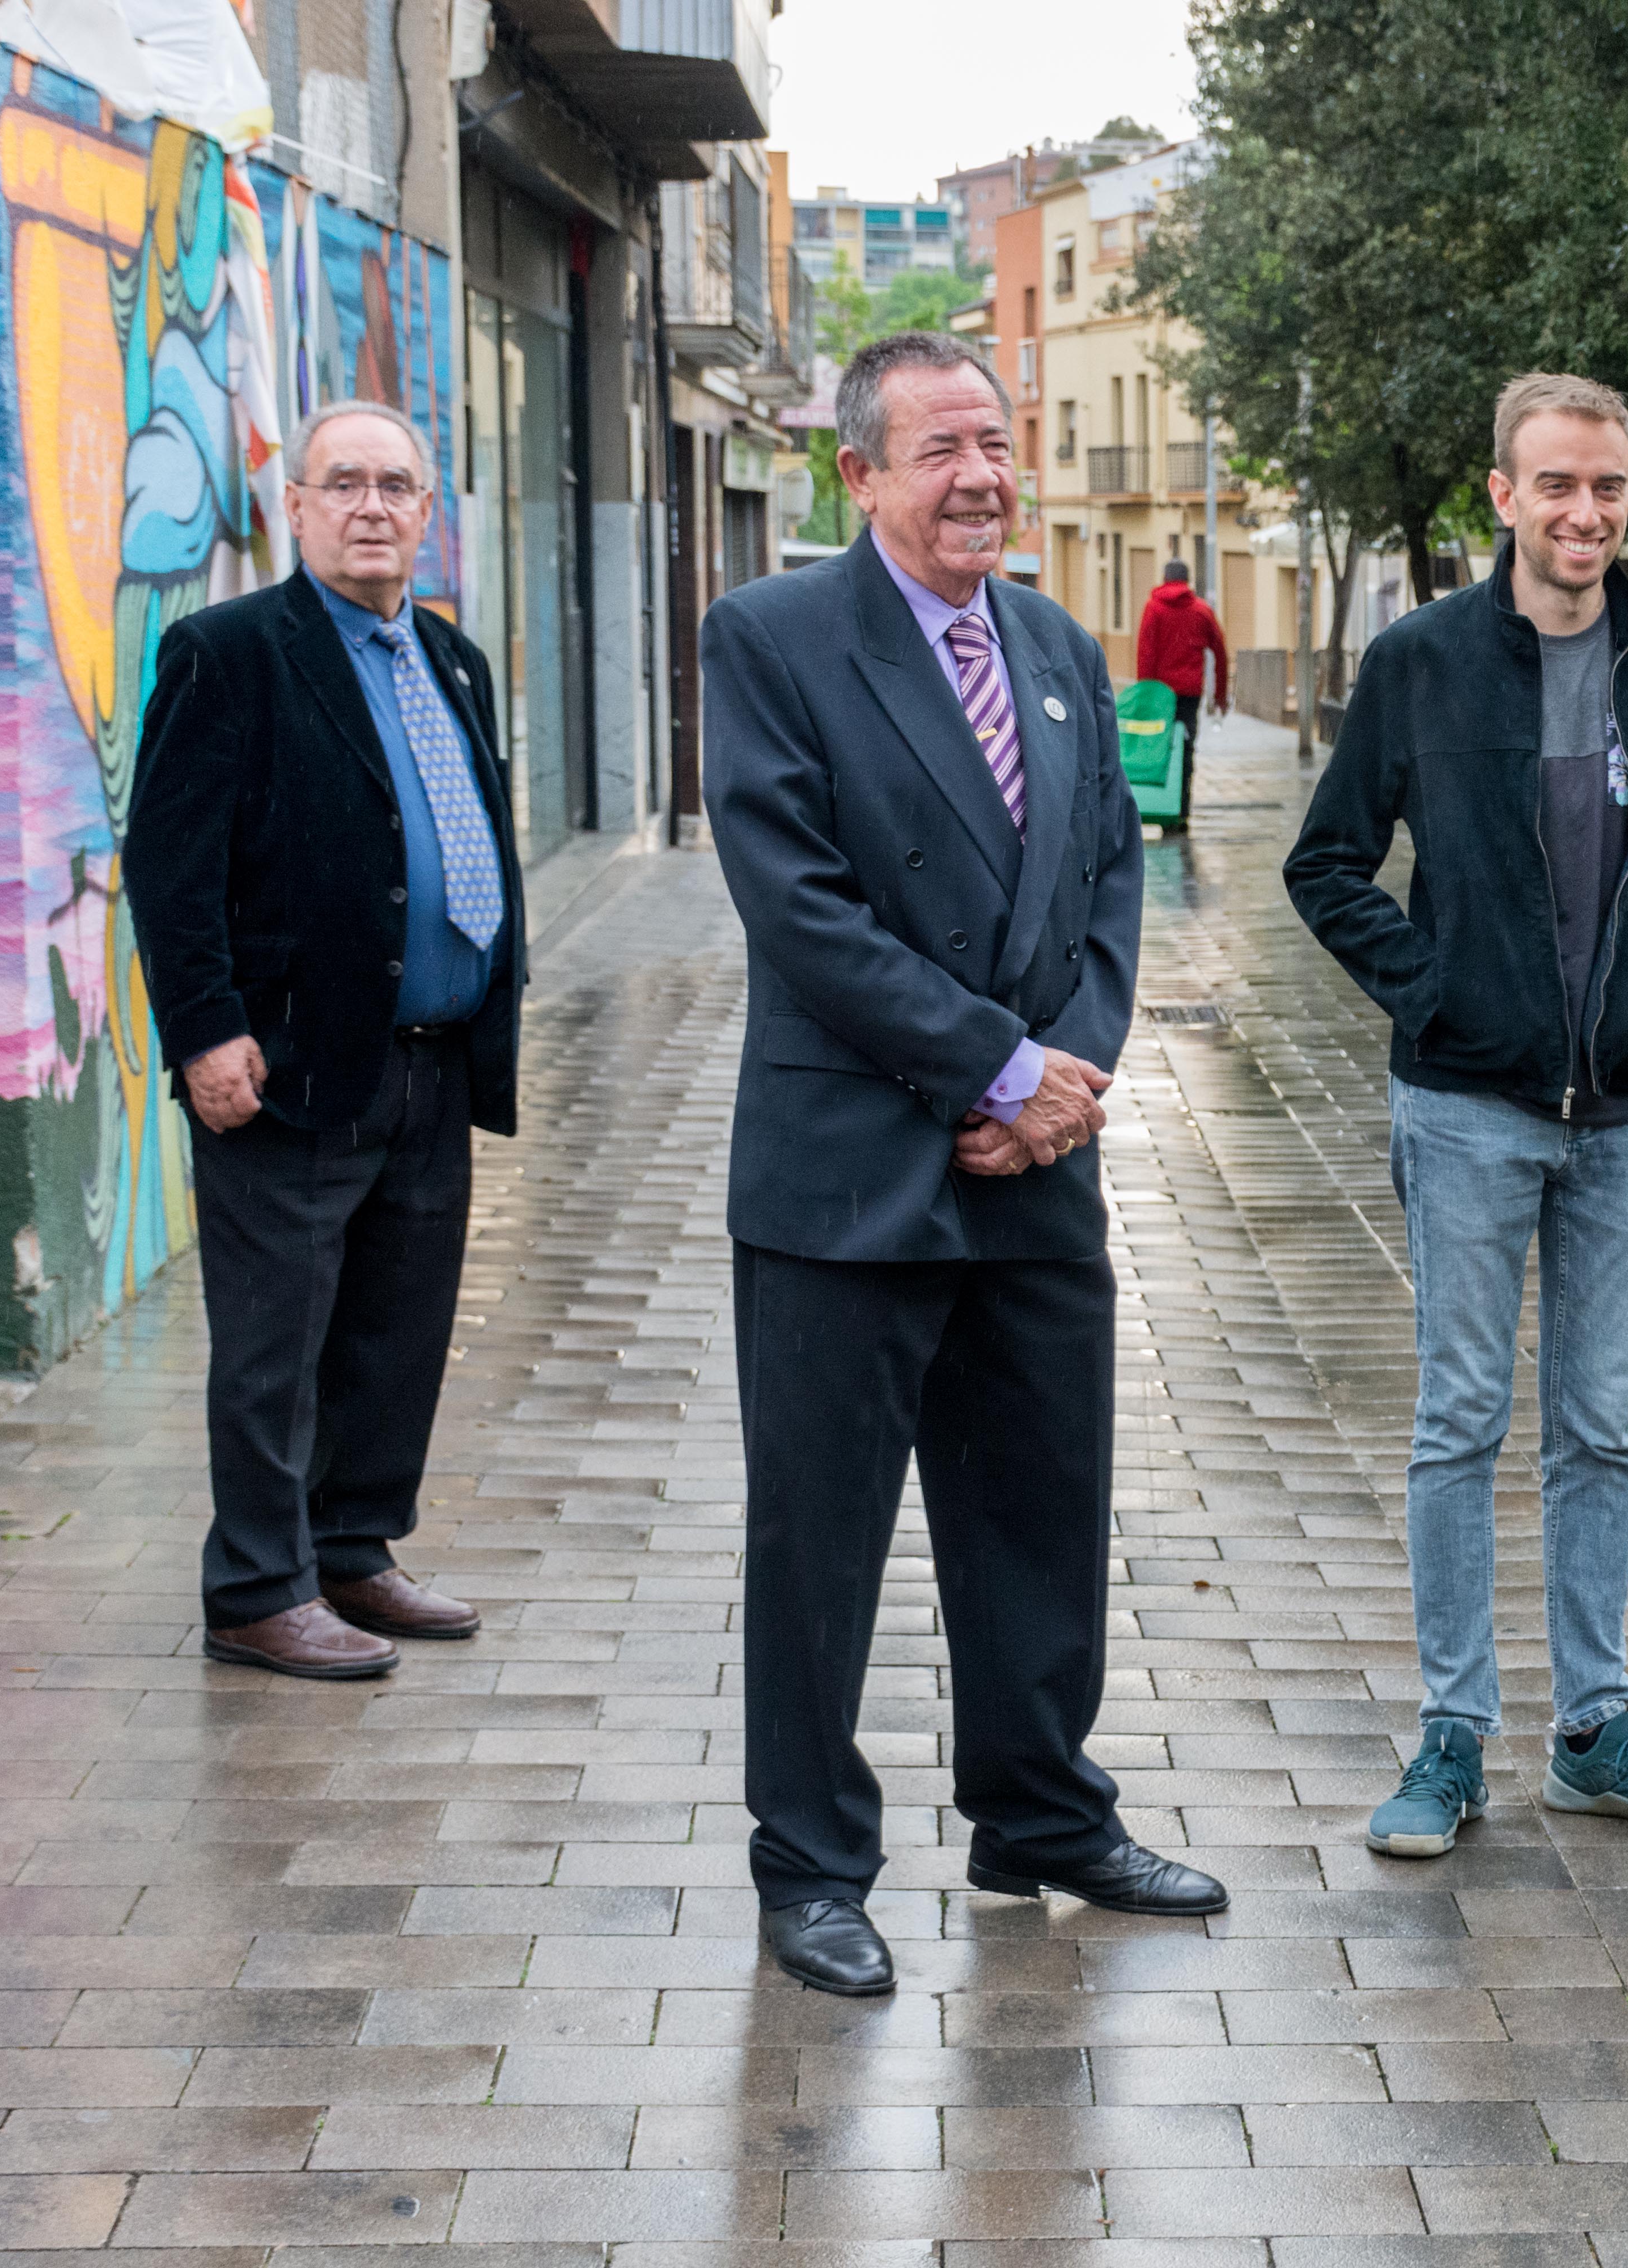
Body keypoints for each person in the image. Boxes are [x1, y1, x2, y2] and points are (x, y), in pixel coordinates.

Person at [702, 331, 1225, 1999]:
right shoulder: (771, 640)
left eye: (993, 443)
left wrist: (1065, 1087)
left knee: (1041, 1515)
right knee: (817, 1541)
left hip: (1031, 1176)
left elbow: (1104, 885)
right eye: (938, 448)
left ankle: (1040, 1813)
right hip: (849, 1176)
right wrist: (991, 1063)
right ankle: (811, 1865)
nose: (979, 475)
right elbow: (797, 902)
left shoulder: (1062, 647)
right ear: (854, 474)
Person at [1285, 372, 1628, 1858]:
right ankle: (1453, 1736)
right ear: (1501, 495)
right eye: (1556, 484)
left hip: (1625, 1118)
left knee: (1598, 1433)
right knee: (1458, 1425)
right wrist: (1440, 994)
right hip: (1469, 1115)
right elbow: (1330, 863)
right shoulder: (1420, 663)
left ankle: (1597, 1733)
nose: (1585, 513)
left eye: (1608, 488)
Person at [123, 400, 523, 1681]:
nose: (369, 505)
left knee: (396, 1327)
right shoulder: (227, 653)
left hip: (430, 1059)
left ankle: (353, 1548)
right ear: (294, 507)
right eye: (341, 482)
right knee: (273, 1344)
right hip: (287, 1065)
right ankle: (256, 1586)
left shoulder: (455, 659)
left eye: (394, 485)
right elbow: (169, 865)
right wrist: (204, 1031)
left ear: (426, 512)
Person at [1134, 558, 1230, 752]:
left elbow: (1146, 654)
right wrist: (1220, 695)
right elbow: (1221, 654)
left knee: (1159, 743)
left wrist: (1144, 694)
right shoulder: (1202, 611)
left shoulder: (1153, 609)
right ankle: (1185, 779)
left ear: (1164, 578)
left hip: (1159, 692)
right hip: (1190, 691)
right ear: (1188, 580)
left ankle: (1164, 780)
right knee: (1187, 743)